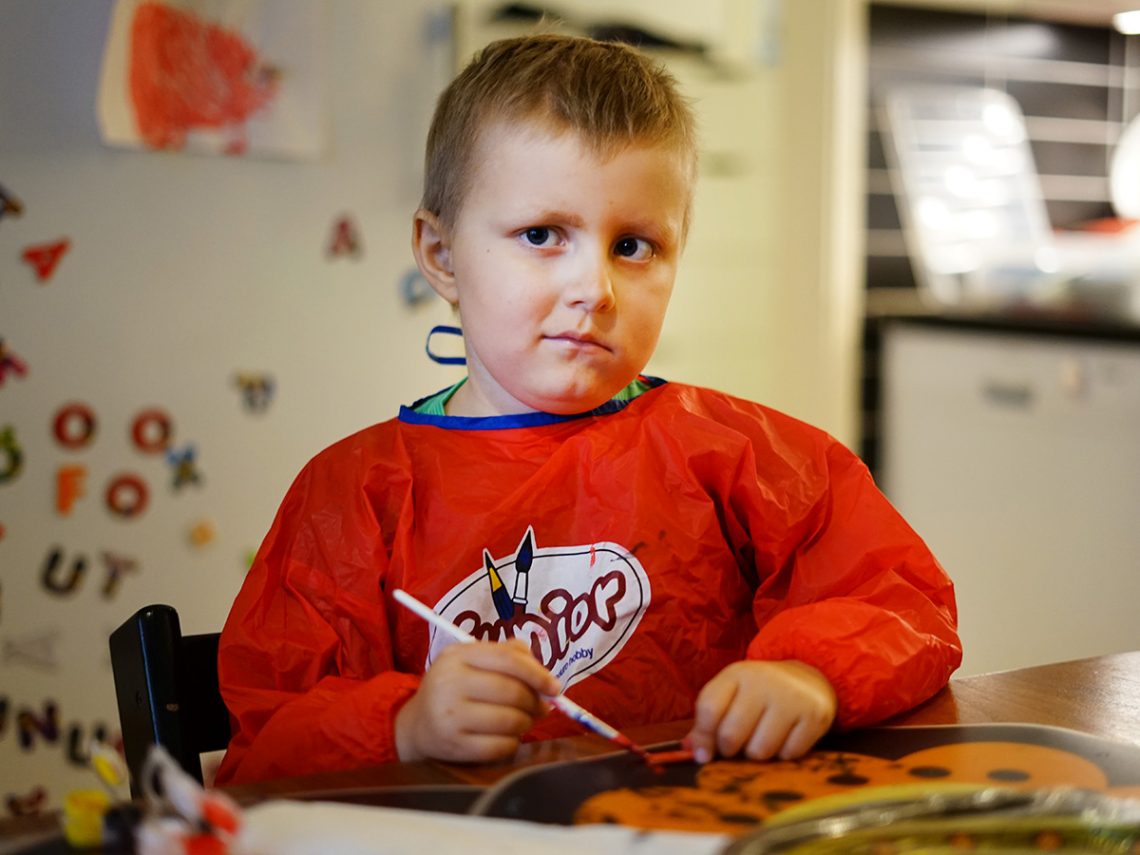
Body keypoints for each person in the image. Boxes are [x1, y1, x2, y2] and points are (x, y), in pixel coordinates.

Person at [214, 33, 961, 786]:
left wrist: (812, 676)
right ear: (440, 254)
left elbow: (905, 604)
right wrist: (405, 724)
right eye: (542, 235)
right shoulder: (350, 496)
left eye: (634, 246)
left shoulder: (745, 455)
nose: (595, 289)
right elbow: (266, 749)